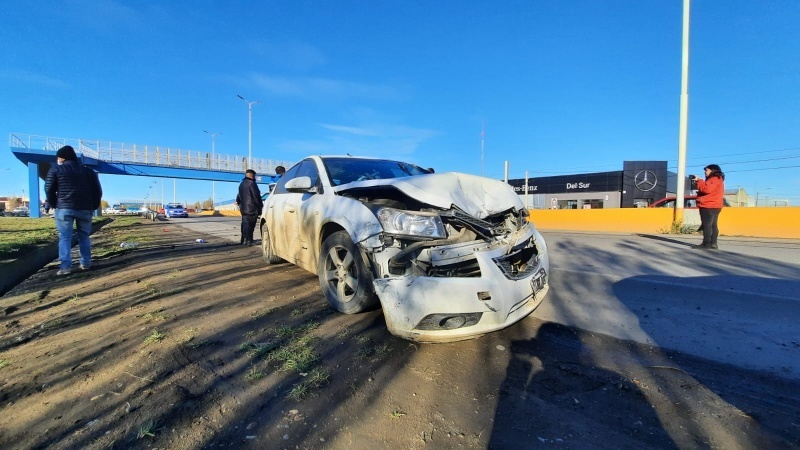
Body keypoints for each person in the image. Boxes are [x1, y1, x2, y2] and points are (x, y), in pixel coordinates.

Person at [45, 145, 103, 275]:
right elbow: (98, 191)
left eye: (58, 157)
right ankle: (86, 263)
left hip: (64, 208)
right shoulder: (89, 172)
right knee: (84, 237)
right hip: (85, 209)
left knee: (65, 237)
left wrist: (54, 203)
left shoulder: (56, 170)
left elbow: (49, 189)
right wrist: (93, 206)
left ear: (62, 158)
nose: (57, 160)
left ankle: (65, 267)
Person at [691, 164, 725, 250]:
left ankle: (706, 244)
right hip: (715, 206)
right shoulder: (718, 179)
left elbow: (706, 189)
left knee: (707, 225)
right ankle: (713, 243)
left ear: (712, 170)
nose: (705, 172)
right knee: (713, 225)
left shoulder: (714, 179)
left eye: (706, 170)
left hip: (708, 205)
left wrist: (699, 181)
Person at [235, 169, 263, 246]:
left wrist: (239, 202)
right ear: (252, 175)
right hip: (252, 208)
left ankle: (243, 239)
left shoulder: (241, 184)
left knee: (244, 224)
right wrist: (260, 207)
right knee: (250, 225)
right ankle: (249, 240)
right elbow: (256, 196)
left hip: (243, 208)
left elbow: (238, 196)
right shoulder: (252, 183)